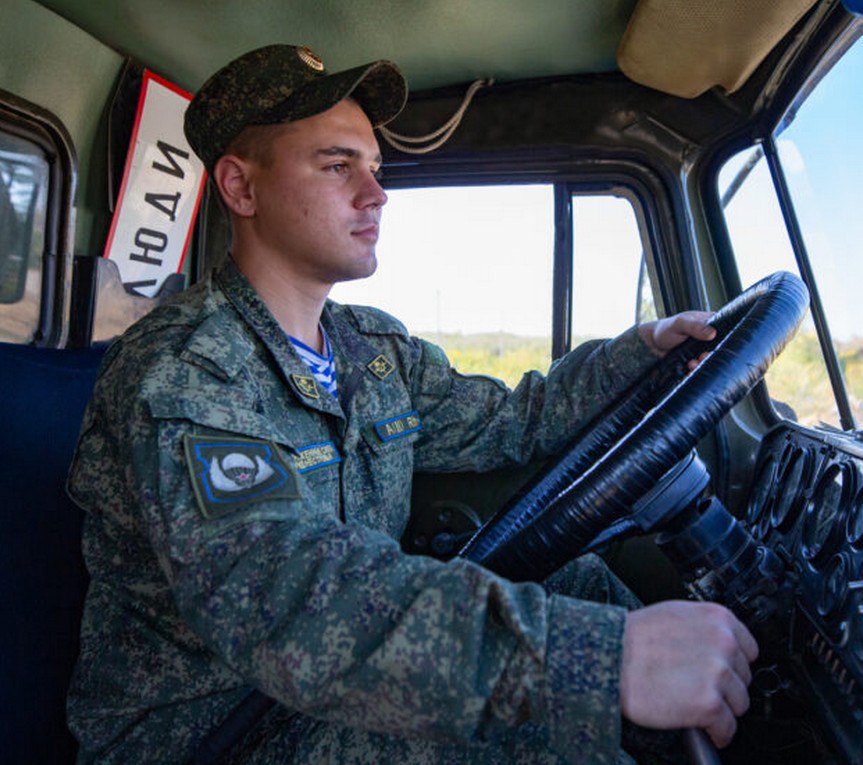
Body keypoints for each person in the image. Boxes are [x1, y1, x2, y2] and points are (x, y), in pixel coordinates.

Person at [66, 44, 757, 764]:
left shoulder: (372, 349)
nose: (376, 194)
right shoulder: (185, 370)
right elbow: (284, 598)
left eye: (376, 168)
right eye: (339, 167)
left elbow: (512, 422)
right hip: (219, 728)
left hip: (320, 692)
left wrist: (638, 352)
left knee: (575, 580)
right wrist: (597, 659)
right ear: (241, 188)